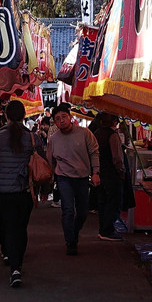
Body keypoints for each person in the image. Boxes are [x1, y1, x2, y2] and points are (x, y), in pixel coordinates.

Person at [0, 100, 36, 287]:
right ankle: (17, 266)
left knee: (8, 226)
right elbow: (40, 162)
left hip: (4, 192)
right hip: (24, 191)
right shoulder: (31, 137)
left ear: (5, 115)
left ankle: (10, 259)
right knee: (20, 229)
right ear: (24, 115)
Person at [46, 103, 100, 255]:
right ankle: (70, 241)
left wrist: (96, 172)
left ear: (70, 117)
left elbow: (94, 152)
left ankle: (74, 232)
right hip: (64, 178)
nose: (61, 120)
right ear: (54, 123)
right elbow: (50, 160)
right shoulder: (53, 139)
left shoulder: (85, 133)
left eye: (64, 117)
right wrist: (50, 176)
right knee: (67, 210)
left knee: (83, 212)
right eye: (57, 119)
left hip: (83, 178)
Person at [92, 112, 126, 241]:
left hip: (99, 173)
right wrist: (121, 171)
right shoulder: (112, 135)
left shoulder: (96, 134)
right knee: (113, 202)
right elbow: (117, 158)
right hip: (111, 174)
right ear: (114, 122)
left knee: (103, 202)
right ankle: (107, 230)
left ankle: (103, 229)